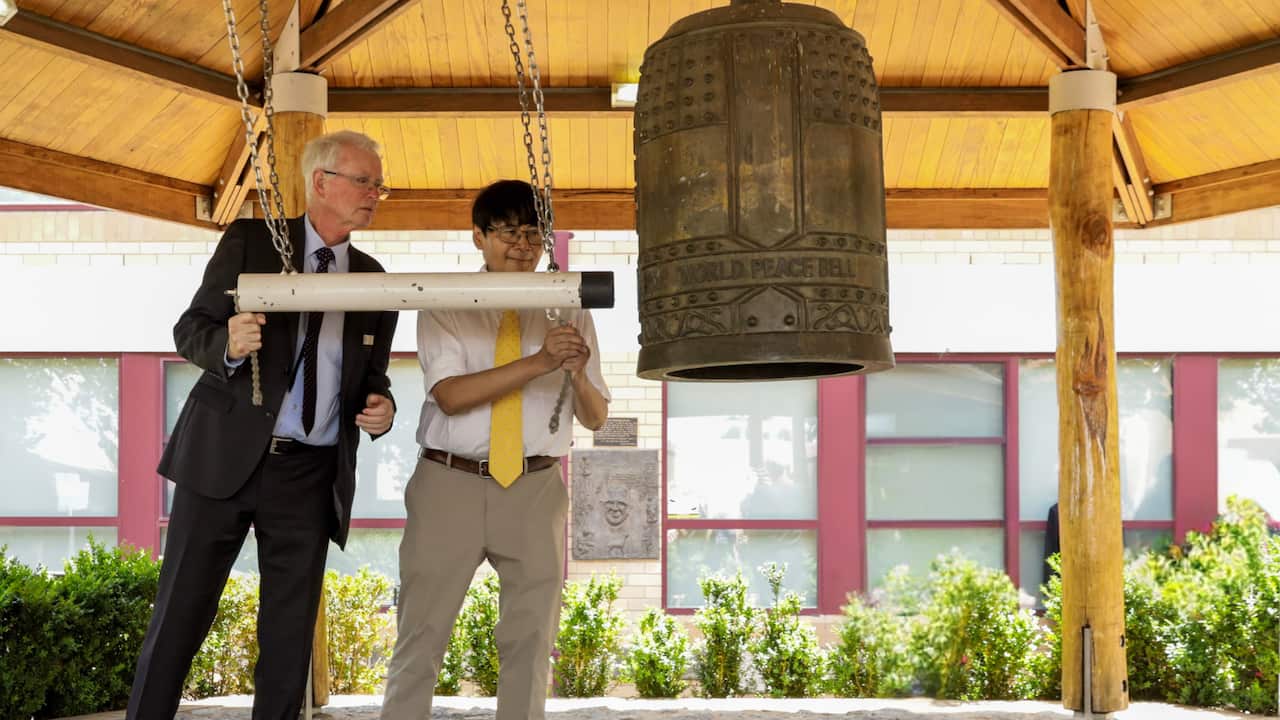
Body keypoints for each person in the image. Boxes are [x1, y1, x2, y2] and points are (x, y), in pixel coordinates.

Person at [127, 130, 399, 720]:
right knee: (180, 614)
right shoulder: (252, 242)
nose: (375, 193)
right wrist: (226, 343)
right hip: (221, 458)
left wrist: (383, 407)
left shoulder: (377, 279)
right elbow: (190, 328)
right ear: (321, 182)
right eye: (365, 180)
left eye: (380, 184)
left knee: (288, 635)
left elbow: (372, 373)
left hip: (310, 471)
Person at [380, 180, 610, 720]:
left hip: (535, 486)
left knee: (531, 641)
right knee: (422, 634)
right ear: (479, 236)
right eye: (508, 231)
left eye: (533, 233)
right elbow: (451, 396)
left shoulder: (569, 304)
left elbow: (596, 416)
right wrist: (540, 361)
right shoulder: (446, 302)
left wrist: (576, 374)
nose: (523, 245)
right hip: (448, 482)